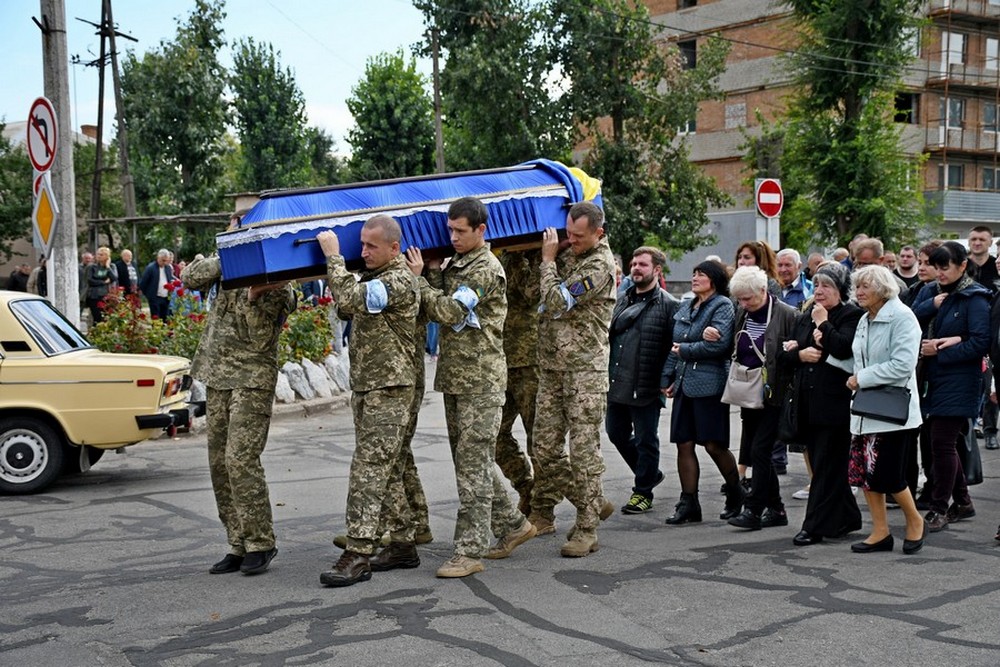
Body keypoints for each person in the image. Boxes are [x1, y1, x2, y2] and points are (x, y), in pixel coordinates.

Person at [405, 197, 536, 578]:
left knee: (473, 468)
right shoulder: (458, 263)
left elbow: (450, 312)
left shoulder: (486, 268)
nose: (454, 237)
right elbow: (433, 304)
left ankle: (468, 550)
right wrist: (430, 272)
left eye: (460, 231)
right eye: (450, 230)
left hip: (481, 380)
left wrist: (419, 279)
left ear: (481, 229)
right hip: (456, 378)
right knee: (470, 462)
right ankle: (514, 524)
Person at [181, 230, 297, 576]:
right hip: (217, 376)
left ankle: (261, 541)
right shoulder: (224, 270)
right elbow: (189, 277)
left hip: (251, 379)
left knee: (240, 459)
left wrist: (253, 294)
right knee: (218, 462)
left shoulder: (280, 287)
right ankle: (237, 541)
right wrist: (228, 261)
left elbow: (259, 338)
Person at [316, 216, 423, 587]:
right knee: (387, 467)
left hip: (389, 389)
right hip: (368, 386)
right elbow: (347, 308)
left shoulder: (397, 281)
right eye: (360, 244)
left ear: (394, 248)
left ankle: (358, 552)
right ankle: (403, 542)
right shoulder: (373, 277)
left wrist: (333, 256)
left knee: (368, 469)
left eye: (371, 246)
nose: (363, 251)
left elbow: (346, 298)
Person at [528, 200, 617, 558]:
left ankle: (586, 527)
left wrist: (548, 259)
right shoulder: (574, 254)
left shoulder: (599, 265)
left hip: (584, 371)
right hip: (552, 367)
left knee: (583, 454)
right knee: (544, 449)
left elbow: (556, 301)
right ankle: (591, 499)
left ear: (599, 233)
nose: (571, 240)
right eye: (567, 233)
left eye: (578, 236)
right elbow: (534, 293)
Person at [838, 265, 926, 554]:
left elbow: (903, 365)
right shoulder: (865, 318)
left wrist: (861, 378)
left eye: (866, 287)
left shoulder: (902, 317)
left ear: (883, 288)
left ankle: (915, 521)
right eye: (857, 287)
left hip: (892, 413)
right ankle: (880, 532)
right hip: (865, 409)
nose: (859, 292)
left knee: (888, 476)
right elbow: (859, 359)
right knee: (864, 474)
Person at [777, 263, 863, 546]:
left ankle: (813, 526)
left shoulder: (851, 315)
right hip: (806, 402)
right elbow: (786, 354)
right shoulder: (805, 314)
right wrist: (800, 355)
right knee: (825, 465)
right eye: (817, 284)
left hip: (836, 403)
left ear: (840, 289)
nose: (820, 290)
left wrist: (824, 322)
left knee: (826, 467)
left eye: (827, 285)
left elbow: (843, 348)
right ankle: (848, 517)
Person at [911, 241, 990, 532]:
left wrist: (941, 350)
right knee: (941, 443)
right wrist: (931, 304)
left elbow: (980, 342)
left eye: (945, 267)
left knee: (942, 443)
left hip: (960, 380)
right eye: (936, 266)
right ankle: (963, 501)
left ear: (962, 266)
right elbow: (910, 319)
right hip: (932, 379)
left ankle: (938, 507)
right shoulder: (932, 292)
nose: (939, 273)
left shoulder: (975, 298)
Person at [661, 260, 741, 523]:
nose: (695, 278)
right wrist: (667, 375)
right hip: (685, 382)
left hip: (710, 384)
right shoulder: (686, 305)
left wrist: (686, 349)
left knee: (713, 445)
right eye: (693, 273)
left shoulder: (722, 305)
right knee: (683, 443)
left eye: (701, 274)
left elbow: (720, 346)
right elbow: (676, 344)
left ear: (714, 279)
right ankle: (689, 503)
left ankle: (736, 493)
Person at [726, 266, 798, 531]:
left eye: (749, 299)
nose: (744, 304)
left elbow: (795, 354)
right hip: (750, 390)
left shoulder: (787, 314)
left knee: (760, 451)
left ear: (764, 291)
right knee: (759, 452)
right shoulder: (743, 313)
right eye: (740, 299)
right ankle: (777, 508)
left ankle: (754, 509)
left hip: (775, 393)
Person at [606, 246, 676, 514]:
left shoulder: (669, 305)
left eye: (642, 265)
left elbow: (675, 346)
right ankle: (649, 473)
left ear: (657, 270)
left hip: (647, 383)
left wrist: (668, 378)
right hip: (617, 382)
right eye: (634, 263)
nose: (636, 268)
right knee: (616, 433)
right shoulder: (621, 299)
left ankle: (642, 492)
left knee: (647, 439)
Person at [496, 249, 542, 514]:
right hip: (499, 360)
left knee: (537, 438)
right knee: (494, 436)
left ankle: (543, 506)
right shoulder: (495, 256)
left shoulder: (532, 256)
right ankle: (526, 488)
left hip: (529, 361)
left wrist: (523, 256)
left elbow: (532, 294)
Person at [83, 247, 118, 324]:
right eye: (98, 254)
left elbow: (114, 278)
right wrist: (104, 282)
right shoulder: (92, 267)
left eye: (101, 255)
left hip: (107, 296)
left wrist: (108, 267)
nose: (99, 256)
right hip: (94, 296)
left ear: (107, 256)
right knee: (97, 318)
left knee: (106, 318)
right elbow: (90, 281)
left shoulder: (112, 266)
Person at [139, 249, 175, 320]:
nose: (164, 262)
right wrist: (149, 295)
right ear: (158, 258)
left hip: (165, 298)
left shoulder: (168, 268)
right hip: (155, 298)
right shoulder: (151, 268)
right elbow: (143, 283)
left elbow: (169, 280)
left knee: (165, 318)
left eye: (166, 260)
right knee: (156, 319)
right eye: (163, 260)